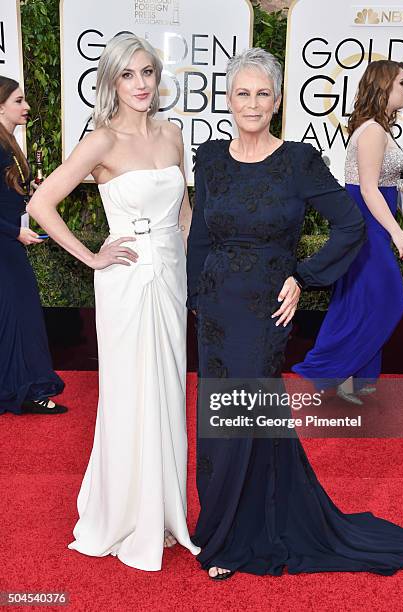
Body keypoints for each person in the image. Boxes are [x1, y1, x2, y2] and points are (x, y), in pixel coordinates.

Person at [187, 48, 403, 580]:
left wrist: (304, 277)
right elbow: (201, 235)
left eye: (262, 93)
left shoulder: (298, 161)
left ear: (276, 102)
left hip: (266, 308)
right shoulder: (210, 157)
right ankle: (223, 522)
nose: (251, 103)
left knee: (246, 413)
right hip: (215, 309)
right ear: (228, 100)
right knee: (221, 419)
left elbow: (350, 225)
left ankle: (234, 539)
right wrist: (194, 297)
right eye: (242, 93)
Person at [28, 33, 200, 571]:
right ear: (111, 82)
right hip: (126, 282)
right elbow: (40, 203)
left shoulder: (173, 136)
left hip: (171, 280)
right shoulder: (100, 142)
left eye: (147, 72)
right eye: (128, 75)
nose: (141, 84)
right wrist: (93, 257)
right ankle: (125, 514)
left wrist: (192, 269)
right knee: (131, 394)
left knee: (170, 392)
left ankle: (166, 513)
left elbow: (185, 213)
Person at [293, 60, 403, 403]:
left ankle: (348, 376)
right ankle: (330, 367)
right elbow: (368, 189)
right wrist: (397, 233)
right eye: (402, 83)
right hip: (368, 226)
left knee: (358, 299)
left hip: (372, 225)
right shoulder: (373, 130)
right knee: (388, 300)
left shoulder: (377, 128)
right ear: (384, 86)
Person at [0, 76, 66, 415]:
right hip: (5, 246)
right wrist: (14, 232)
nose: (26, 107)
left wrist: (30, 190)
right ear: (0, 105)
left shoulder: (9, 142)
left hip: (10, 243)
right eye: (18, 101)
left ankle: (19, 388)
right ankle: (30, 389)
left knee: (16, 319)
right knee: (21, 319)